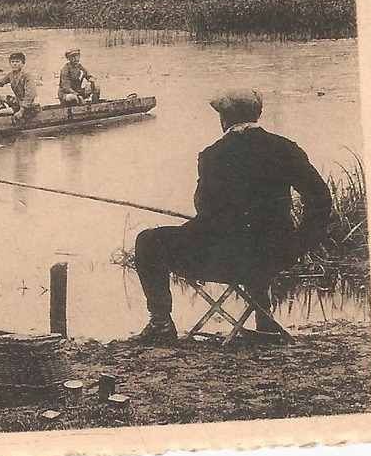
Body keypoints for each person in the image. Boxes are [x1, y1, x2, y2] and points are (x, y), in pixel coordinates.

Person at [129, 89, 331, 345]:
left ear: (225, 119)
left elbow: (204, 208)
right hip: (275, 254)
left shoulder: (213, 155)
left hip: (225, 259)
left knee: (148, 241)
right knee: (256, 236)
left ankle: (160, 322)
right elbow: (321, 198)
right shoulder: (285, 148)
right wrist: (300, 243)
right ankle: (264, 320)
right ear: (258, 114)